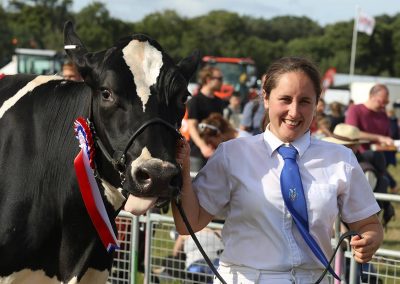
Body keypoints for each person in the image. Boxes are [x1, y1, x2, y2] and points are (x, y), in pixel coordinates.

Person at [174, 57, 383, 284]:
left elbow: (369, 225)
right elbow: (189, 224)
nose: (294, 112)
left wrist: (371, 239)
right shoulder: (232, 154)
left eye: (304, 101)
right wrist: (182, 171)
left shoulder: (342, 159)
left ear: (317, 101)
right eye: (285, 99)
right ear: (265, 98)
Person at [187, 66, 226, 172]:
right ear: (208, 80)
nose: (222, 82)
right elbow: (192, 127)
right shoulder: (195, 101)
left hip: (216, 152)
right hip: (198, 153)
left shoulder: (219, 102)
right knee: (195, 186)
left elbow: (220, 128)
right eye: (219, 79)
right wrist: (203, 147)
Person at [345, 84, 394, 152]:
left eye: (386, 102)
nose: (384, 105)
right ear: (371, 96)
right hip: (359, 156)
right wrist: (379, 138)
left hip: (380, 156)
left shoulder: (383, 114)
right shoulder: (355, 109)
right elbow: (351, 133)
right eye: (382, 101)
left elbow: (387, 137)